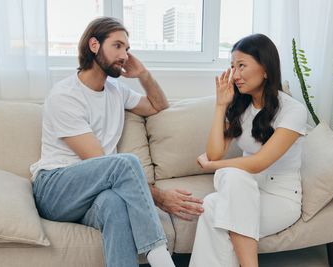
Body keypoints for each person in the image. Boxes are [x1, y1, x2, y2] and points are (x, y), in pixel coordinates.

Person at [30, 17, 203, 267]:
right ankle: (160, 256)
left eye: (127, 49)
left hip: (94, 193)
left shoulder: (116, 91)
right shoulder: (65, 95)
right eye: (117, 46)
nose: (124, 55)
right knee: (124, 163)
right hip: (55, 189)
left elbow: (158, 106)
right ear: (93, 45)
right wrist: (160, 197)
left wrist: (143, 75)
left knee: (114, 204)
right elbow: (100, 162)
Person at [189, 33, 308, 267]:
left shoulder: (293, 110)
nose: (235, 74)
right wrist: (221, 105)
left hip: (279, 198)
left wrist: (213, 167)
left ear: (265, 68)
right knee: (227, 188)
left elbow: (258, 162)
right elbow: (214, 152)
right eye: (232, 66)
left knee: (214, 205)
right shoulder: (240, 106)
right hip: (241, 191)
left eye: (241, 65)